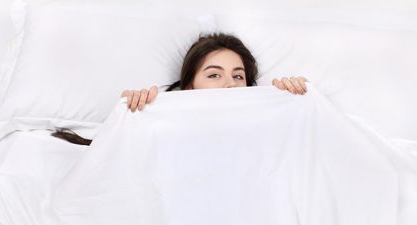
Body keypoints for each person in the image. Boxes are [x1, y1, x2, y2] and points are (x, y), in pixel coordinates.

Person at [53, 33, 308, 145]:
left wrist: (291, 100)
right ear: (190, 87)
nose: (230, 84)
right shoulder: (165, 127)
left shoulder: (264, 125)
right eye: (214, 74)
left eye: (238, 76)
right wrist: (128, 117)